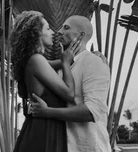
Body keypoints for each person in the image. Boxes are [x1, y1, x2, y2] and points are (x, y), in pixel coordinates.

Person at [29, 15, 111, 152]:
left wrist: (47, 112)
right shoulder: (62, 66)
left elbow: (91, 112)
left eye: (66, 27)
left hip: (88, 147)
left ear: (81, 35)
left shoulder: (94, 62)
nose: (59, 31)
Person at [10, 10, 82, 152]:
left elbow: (59, 62)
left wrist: (91, 56)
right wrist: (66, 63)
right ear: (37, 34)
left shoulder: (34, 60)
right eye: (48, 28)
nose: (53, 32)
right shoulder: (37, 60)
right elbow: (69, 94)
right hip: (44, 132)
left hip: (42, 128)